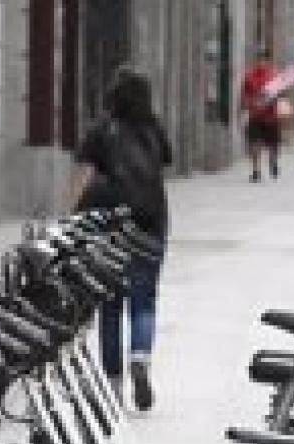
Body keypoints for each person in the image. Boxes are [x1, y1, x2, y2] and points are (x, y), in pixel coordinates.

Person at [70, 67, 173, 412]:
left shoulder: (102, 129)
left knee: (110, 306)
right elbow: (164, 165)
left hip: (108, 224)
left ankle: (112, 387)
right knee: (144, 302)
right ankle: (140, 357)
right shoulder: (153, 128)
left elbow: (84, 174)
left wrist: (72, 215)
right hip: (150, 222)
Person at [240, 50, 284, 181]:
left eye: (264, 60)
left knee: (273, 144)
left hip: (271, 116)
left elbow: (280, 94)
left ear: (268, 61)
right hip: (255, 115)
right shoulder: (249, 77)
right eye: (259, 60)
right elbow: (244, 95)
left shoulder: (274, 76)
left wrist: (272, 99)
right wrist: (248, 105)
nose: (261, 63)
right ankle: (255, 171)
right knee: (254, 143)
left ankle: (273, 163)